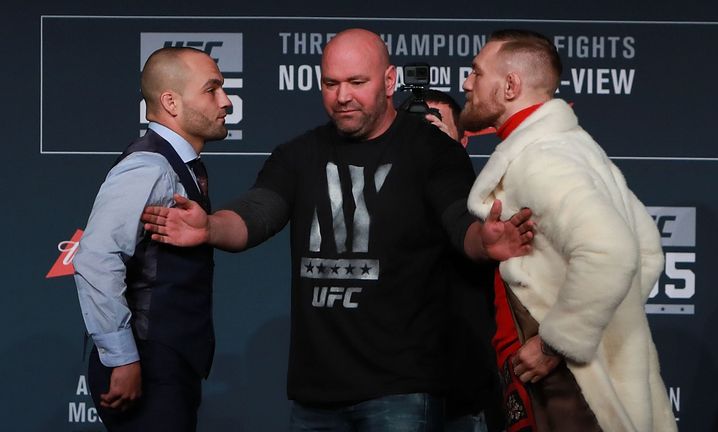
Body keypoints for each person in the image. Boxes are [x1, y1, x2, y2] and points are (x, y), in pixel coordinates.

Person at [141, 28, 534, 431]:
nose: (342, 95)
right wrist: (209, 227)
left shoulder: (431, 150)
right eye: (331, 83)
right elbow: (259, 212)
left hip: (402, 390)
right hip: (317, 396)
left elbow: (458, 221)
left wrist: (483, 242)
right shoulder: (299, 154)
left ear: (388, 81)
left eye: (356, 83)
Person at [460, 29, 677, 431]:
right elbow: (647, 252)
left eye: (476, 72)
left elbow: (613, 254)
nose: (467, 83)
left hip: (571, 390)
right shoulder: (571, 146)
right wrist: (605, 326)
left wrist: (556, 342)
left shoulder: (541, 158)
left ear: (510, 85)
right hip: (574, 383)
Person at [73, 47, 232, 431]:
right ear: (171, 102)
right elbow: (95, 258)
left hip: (167, 361)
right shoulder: (149, 167)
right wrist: (123, 359)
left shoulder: (180, 165)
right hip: (146, 362)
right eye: (212, 90)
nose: (226, 102)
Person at [401, 89, 504, 432]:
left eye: (436, 126)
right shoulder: (368, 207)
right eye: (415, 127)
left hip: (462, 392)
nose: (425, 135)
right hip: (389, 391)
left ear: (462, 141)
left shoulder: (487, 208)